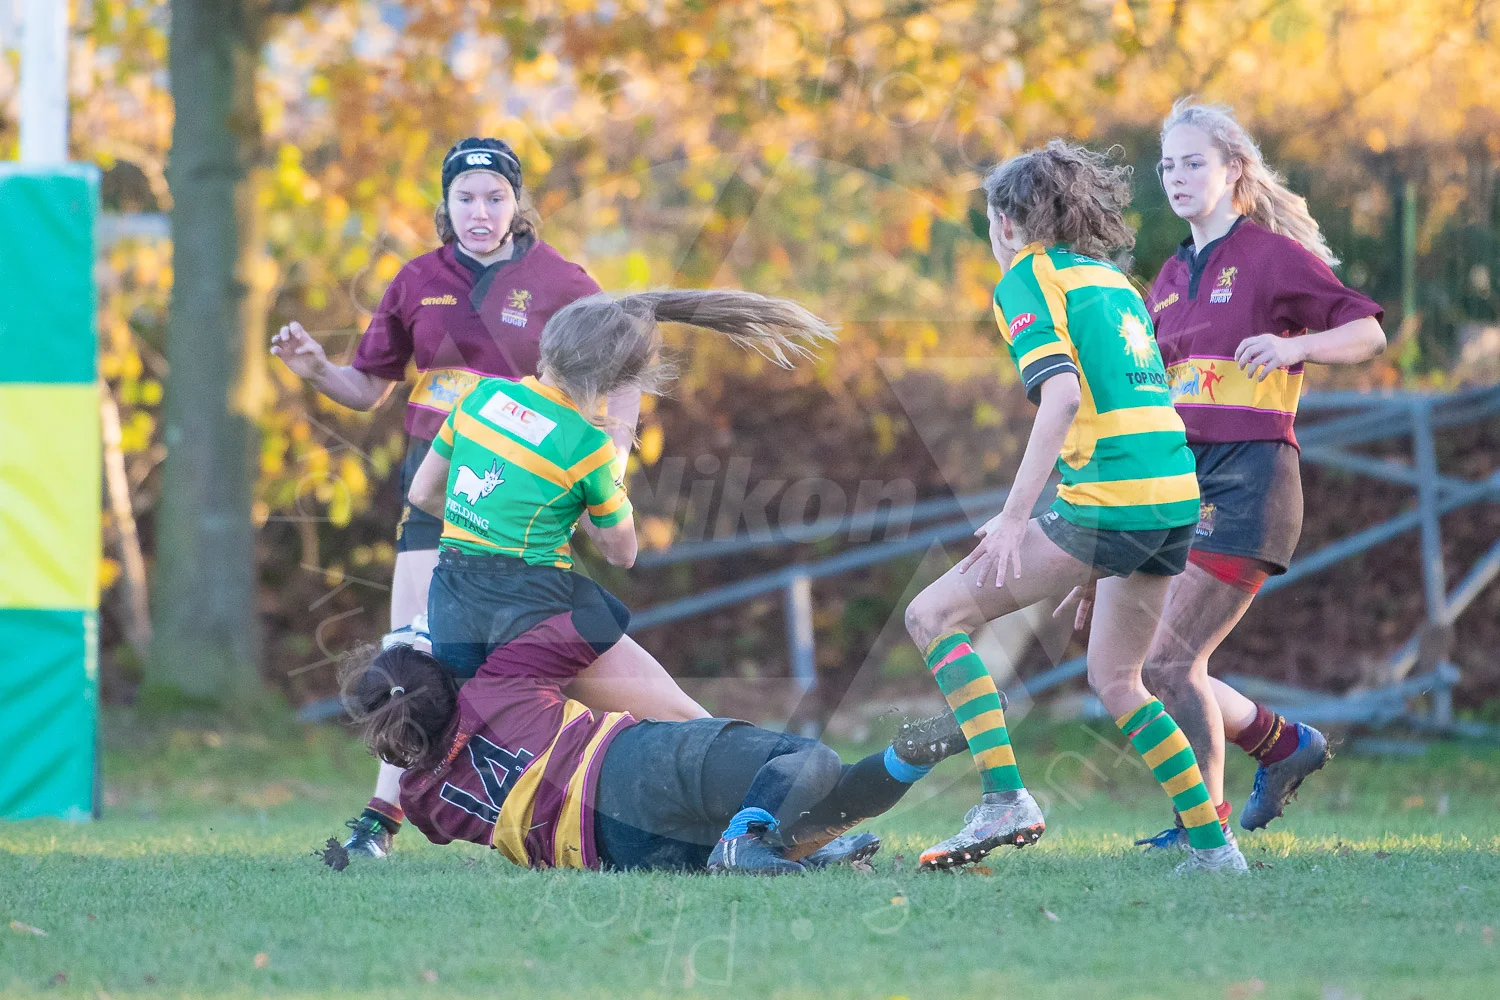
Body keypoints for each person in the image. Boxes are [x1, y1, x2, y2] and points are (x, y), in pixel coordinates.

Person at [343, 287, 924, 872]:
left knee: (550, 741)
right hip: (537, 618)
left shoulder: (480, 396)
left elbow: (423, 493)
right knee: (684, 718)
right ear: (615, 381)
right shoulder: (587, 446)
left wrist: (486, 530)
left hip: (457, 613)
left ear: (547, 347)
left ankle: (397, 825)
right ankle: (788, 832)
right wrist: (612, 454)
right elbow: (622, 551)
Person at [271, 137, 706, 860]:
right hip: (438, 491)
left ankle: (607, 782)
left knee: (530, 662)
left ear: (517, 202)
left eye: (494, 197)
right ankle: (380, 821)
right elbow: (364, 387)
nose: (479, 210)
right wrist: (318, 370)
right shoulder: (415, 280)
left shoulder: (563, 278)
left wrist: (616, 446)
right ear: (444, 205)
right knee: (408, 648)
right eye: (465, 197)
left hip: (528, 504)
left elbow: (626, 355)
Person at [902, 140, 1248, 874]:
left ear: (1004, 221)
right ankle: (1215, 851)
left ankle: (1004, 799)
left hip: (1111, 503)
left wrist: (1014, 515)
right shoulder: (1114, 281)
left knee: (933, 616)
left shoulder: (1027, 280)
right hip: (1172, 499)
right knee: (1119, 681)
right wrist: (1099, 562)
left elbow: (1061, 396)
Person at [1133, 100, 1386, 848]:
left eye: (1193, 162)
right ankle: (1283, 746)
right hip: (1183, 484)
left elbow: (1368, 331)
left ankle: (1201, 830)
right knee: (1156, 666)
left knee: (1169, 662)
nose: (1177, 177)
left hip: (1253, 482)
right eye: (1168, 165)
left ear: (1234, 170)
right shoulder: (1171, 277)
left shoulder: (1271, 256)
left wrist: (1293, 349)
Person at [339, 640, 966, 872]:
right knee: (810, 763)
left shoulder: (421, 801)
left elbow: (419, 752)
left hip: (616, 852)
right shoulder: (493, 685)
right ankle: (746, 841)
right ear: (445, 676)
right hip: (630, 766)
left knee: (803, 812)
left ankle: (912, 753)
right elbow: (588, 621)